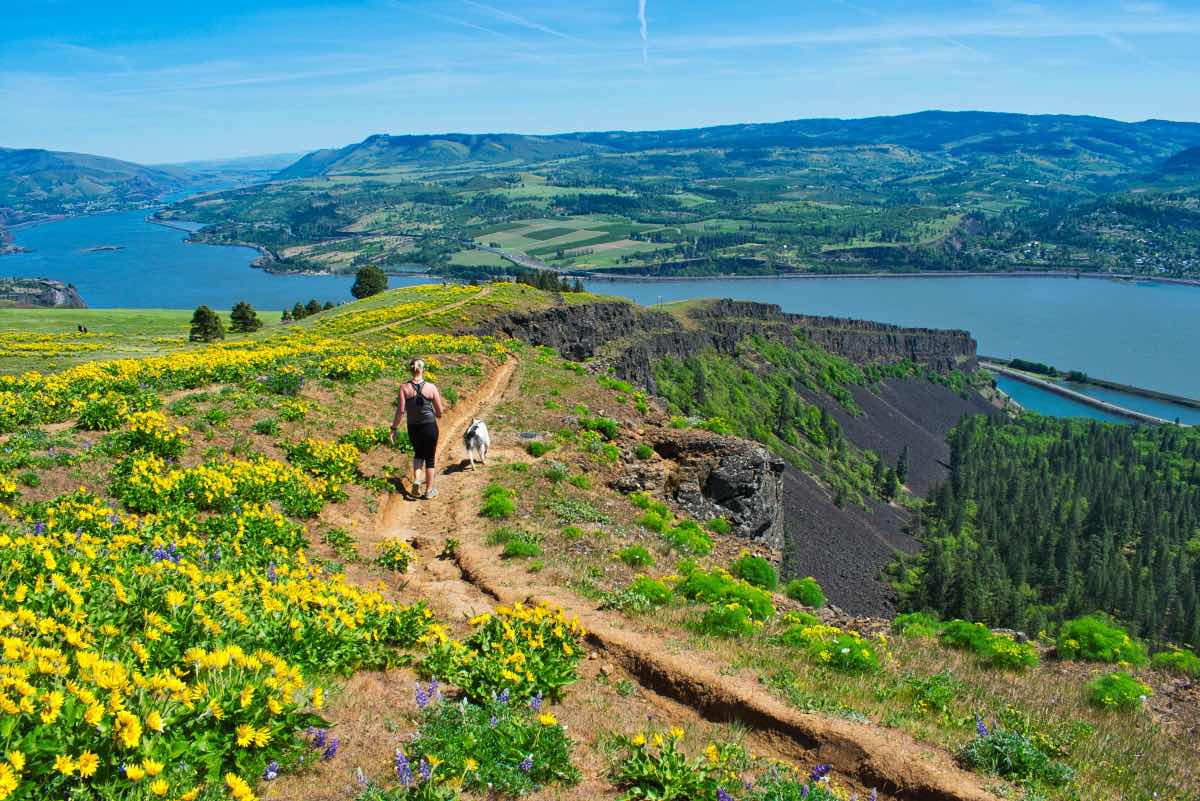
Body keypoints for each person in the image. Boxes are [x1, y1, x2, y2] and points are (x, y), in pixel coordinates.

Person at [391, 358, 445, 499]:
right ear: (423, 370)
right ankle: (429, 490)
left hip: (413, 428)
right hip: (429, 427)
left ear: (410, 370)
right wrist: (436, 414)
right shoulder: (431, 387)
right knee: (430, 458)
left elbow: (400, 411)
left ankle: (416, 480)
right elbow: (439, 411)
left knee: (418, 454)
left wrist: (394, 428)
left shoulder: (404, 387)